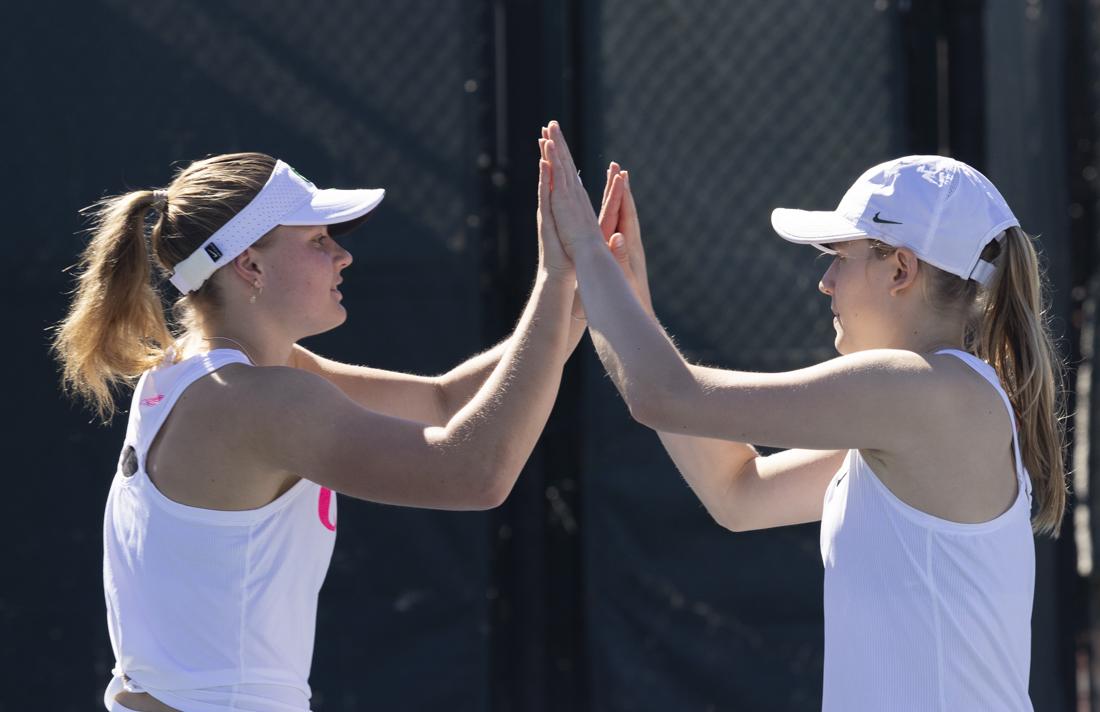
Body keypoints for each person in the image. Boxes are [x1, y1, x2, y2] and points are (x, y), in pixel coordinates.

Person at [52, 148, 627, 712]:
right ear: (250, 264)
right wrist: (555, 277)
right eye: (318, 241)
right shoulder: (257, 401)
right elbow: (475, 473)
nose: (342, 256)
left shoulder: (197, 369)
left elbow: (443, 399)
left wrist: (577, 300)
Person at [540, 121, 1066, 710]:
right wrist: (623, 296)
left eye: (840, 256)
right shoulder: (918, 413)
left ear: (900, 269)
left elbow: (666, 395)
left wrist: (586, 253)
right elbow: (735, 492)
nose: (825, 281)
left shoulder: (922, 391)